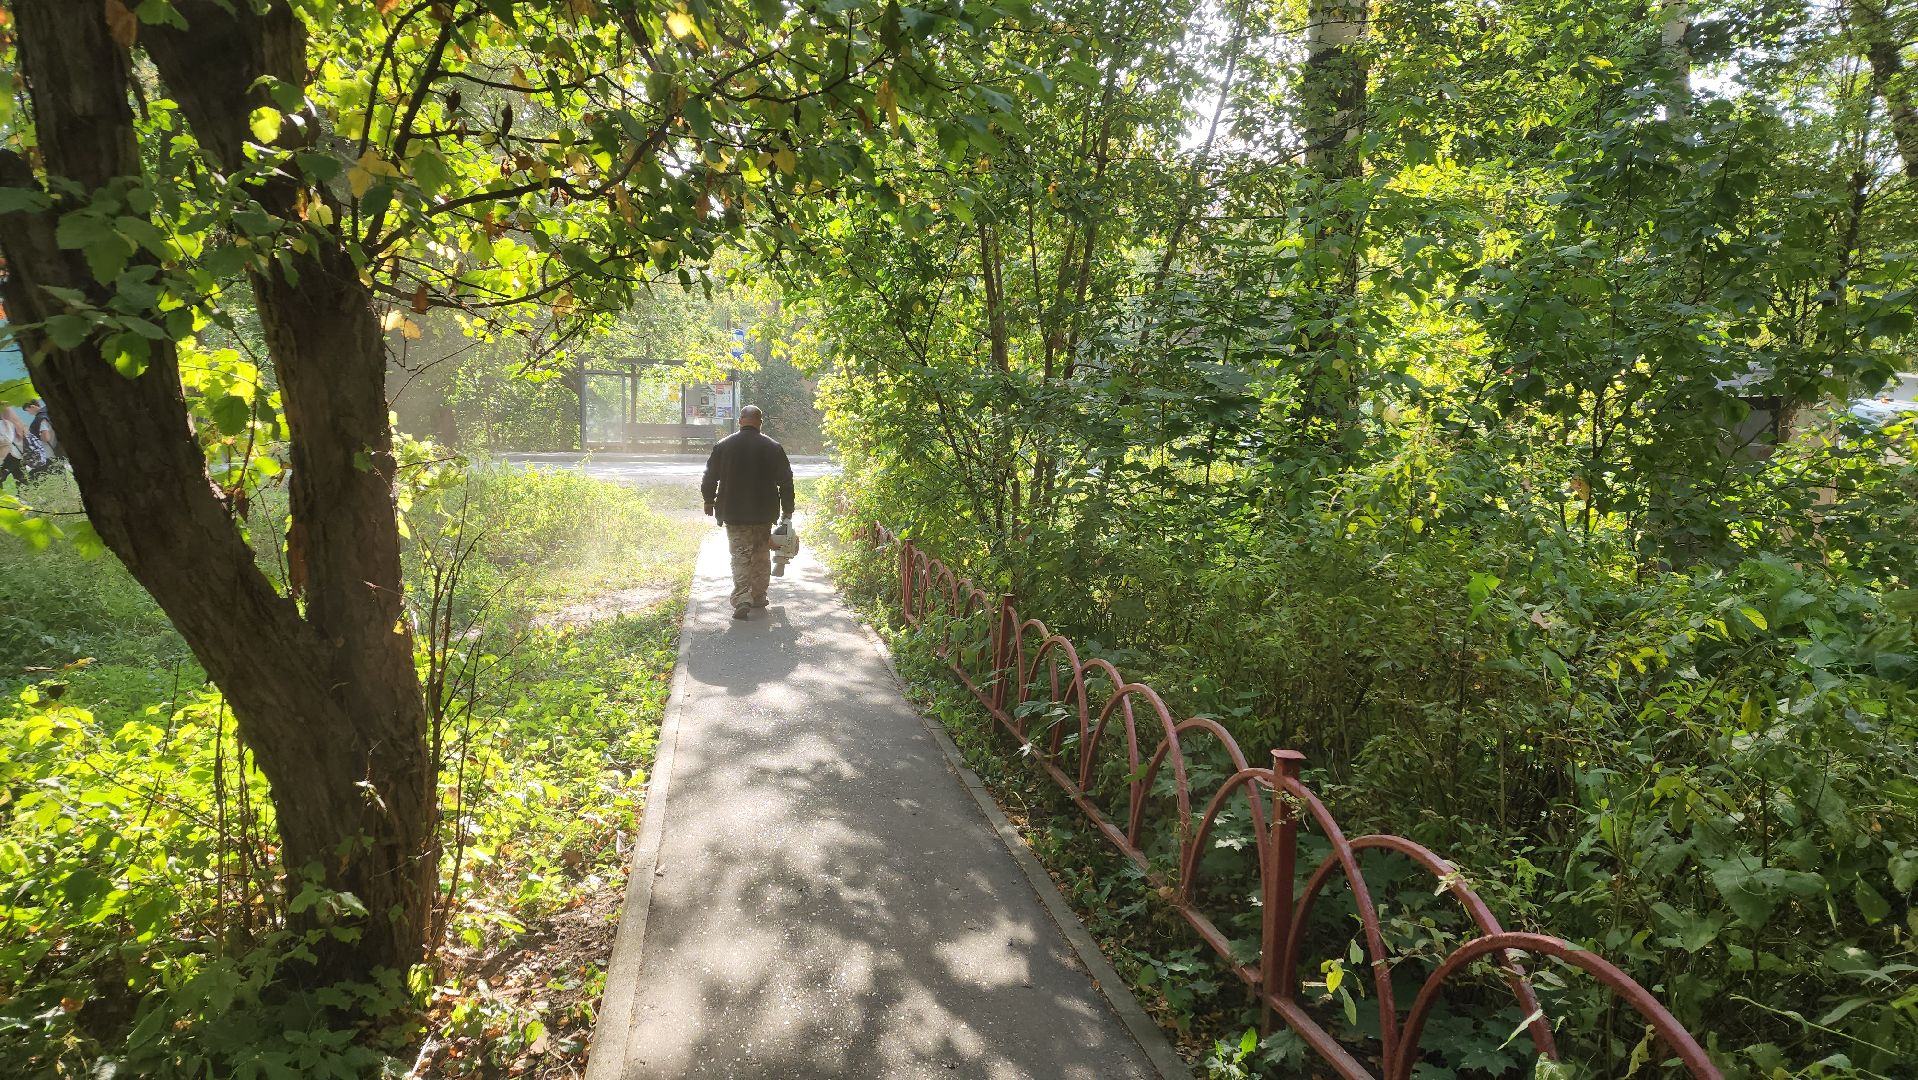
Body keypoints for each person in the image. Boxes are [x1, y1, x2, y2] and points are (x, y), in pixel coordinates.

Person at [700, 404, 795, 620]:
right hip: (763, 513)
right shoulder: (773, 447)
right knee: (761, 555)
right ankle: (759, 596)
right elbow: (786, 482)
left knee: (740, 555)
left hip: (734, 513)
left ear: (741, 420)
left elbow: (709, 477)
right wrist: (787, 510)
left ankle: (743, 598)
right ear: (760, 422)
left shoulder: (723, 446)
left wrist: (708, 500)